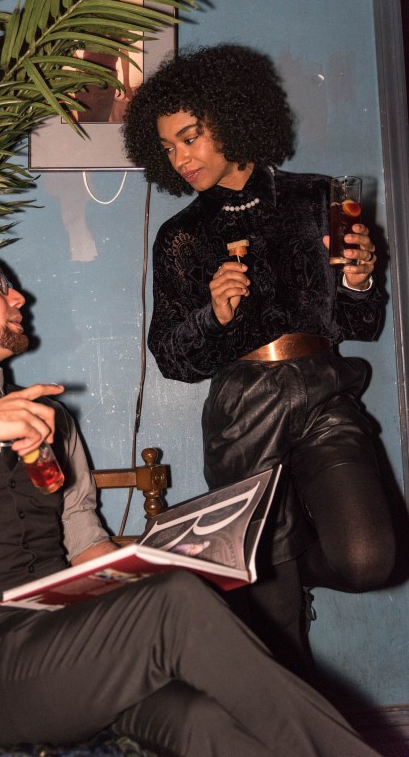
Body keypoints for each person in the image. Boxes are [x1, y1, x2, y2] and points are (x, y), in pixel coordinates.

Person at [0, 248, 381, 756]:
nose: (18, 297)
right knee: (175, 600)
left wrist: (171, 562)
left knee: (204, 721)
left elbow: (86, 546)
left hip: (65, 640)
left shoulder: (50, 418)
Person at [121, 43, 396, 677]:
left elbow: (362, 325)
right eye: (167, 147)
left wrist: (358, 281)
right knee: (279, 630)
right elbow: (173, 359)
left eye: (190, 136)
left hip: (324, 391)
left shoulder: (319, 198)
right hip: (244, 410)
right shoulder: (181, 236)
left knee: (367, 559)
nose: (180, 158)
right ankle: (279, 592)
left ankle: (292, 567)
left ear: (233, 118)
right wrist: (213, 316)